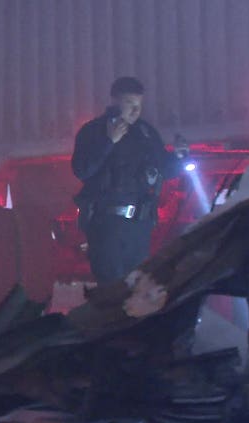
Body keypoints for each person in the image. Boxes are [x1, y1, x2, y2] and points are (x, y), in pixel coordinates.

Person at [72, 77, 187, 285]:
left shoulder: (146, 133)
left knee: (137, 288)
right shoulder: (94, 131)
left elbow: (165, 170)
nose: (135, 111)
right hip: (107, 225)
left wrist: (178, 157)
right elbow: (82, 170)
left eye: (139, 105)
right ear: (115, 101)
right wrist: (108, 142)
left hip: (140, 227)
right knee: (112, 290)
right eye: (130, 104)